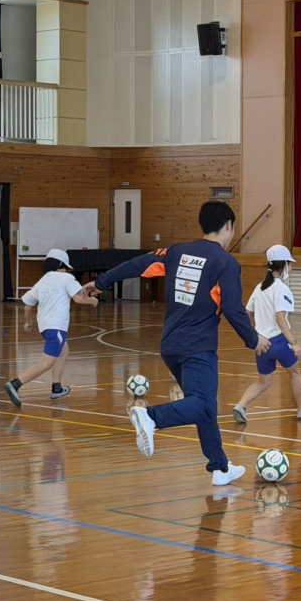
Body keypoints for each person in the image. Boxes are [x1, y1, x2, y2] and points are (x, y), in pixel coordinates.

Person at [86, 201, 271, 486]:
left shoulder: (176, 252)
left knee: (203, 405)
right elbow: (233, 309)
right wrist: (254, 339)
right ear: (229, 226)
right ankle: (151, 417)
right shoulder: (226, 263)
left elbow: (137, 264)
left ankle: (220, 467)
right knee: (203, 404)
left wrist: (101, 283)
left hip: (171, 345)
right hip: (198, 347)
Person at [5, 249, 98, 407]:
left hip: (45, 327)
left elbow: (28, 305)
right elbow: (78, 299)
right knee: (46, 363)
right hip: (57, 327)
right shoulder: (67, 278)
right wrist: (93, 301)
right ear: (61, 265)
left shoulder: (42, 281)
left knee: (63, 351)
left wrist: (28, 322)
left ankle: (57, 388)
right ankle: (15, 384)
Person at [233, 245, 301, 425]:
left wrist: (254, 336)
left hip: (262, 344)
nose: (292, 268)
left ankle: (240, 405)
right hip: (279, 342)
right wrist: (294, 342)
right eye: (290, 264)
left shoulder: (259, 287)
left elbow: (247, 313)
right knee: (295, 373)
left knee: (263, 382)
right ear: (283, 264)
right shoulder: (282, 289)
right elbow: (280, 318)